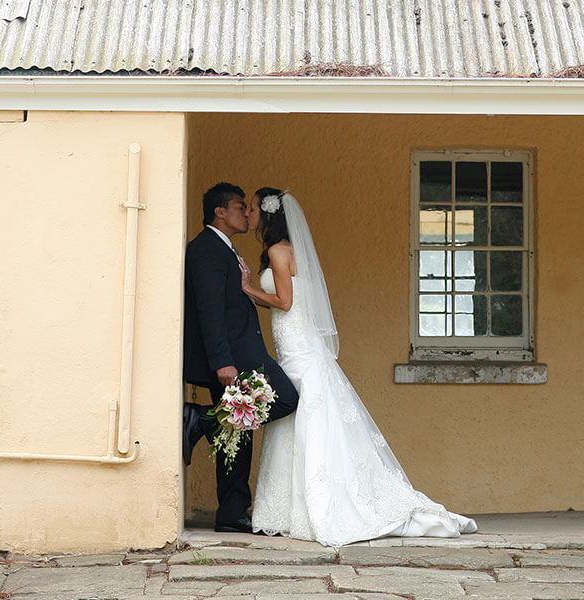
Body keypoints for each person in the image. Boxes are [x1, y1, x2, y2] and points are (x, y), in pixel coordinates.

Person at [239, 187, 477, 547]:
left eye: (254, 207)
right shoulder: (288, 250)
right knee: (297, 422)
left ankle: (305, 508)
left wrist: (246, 289)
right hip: (297, 348)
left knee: (301, 423)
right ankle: (288, 510)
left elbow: (284, 302)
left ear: (268, 215)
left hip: (298, 351)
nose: (250, 212)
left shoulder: (276, 251)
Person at [182, 182, 300, 533]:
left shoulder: (226, 249)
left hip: (240, 350)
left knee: (239, 434)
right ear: (220, 212)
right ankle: (204, 420)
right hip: (233, 355)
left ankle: (232, 512)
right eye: (238, 206)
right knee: (286, 399)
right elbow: (210, 310)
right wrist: (222, 361)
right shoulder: (205, 250)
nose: (245, 213)